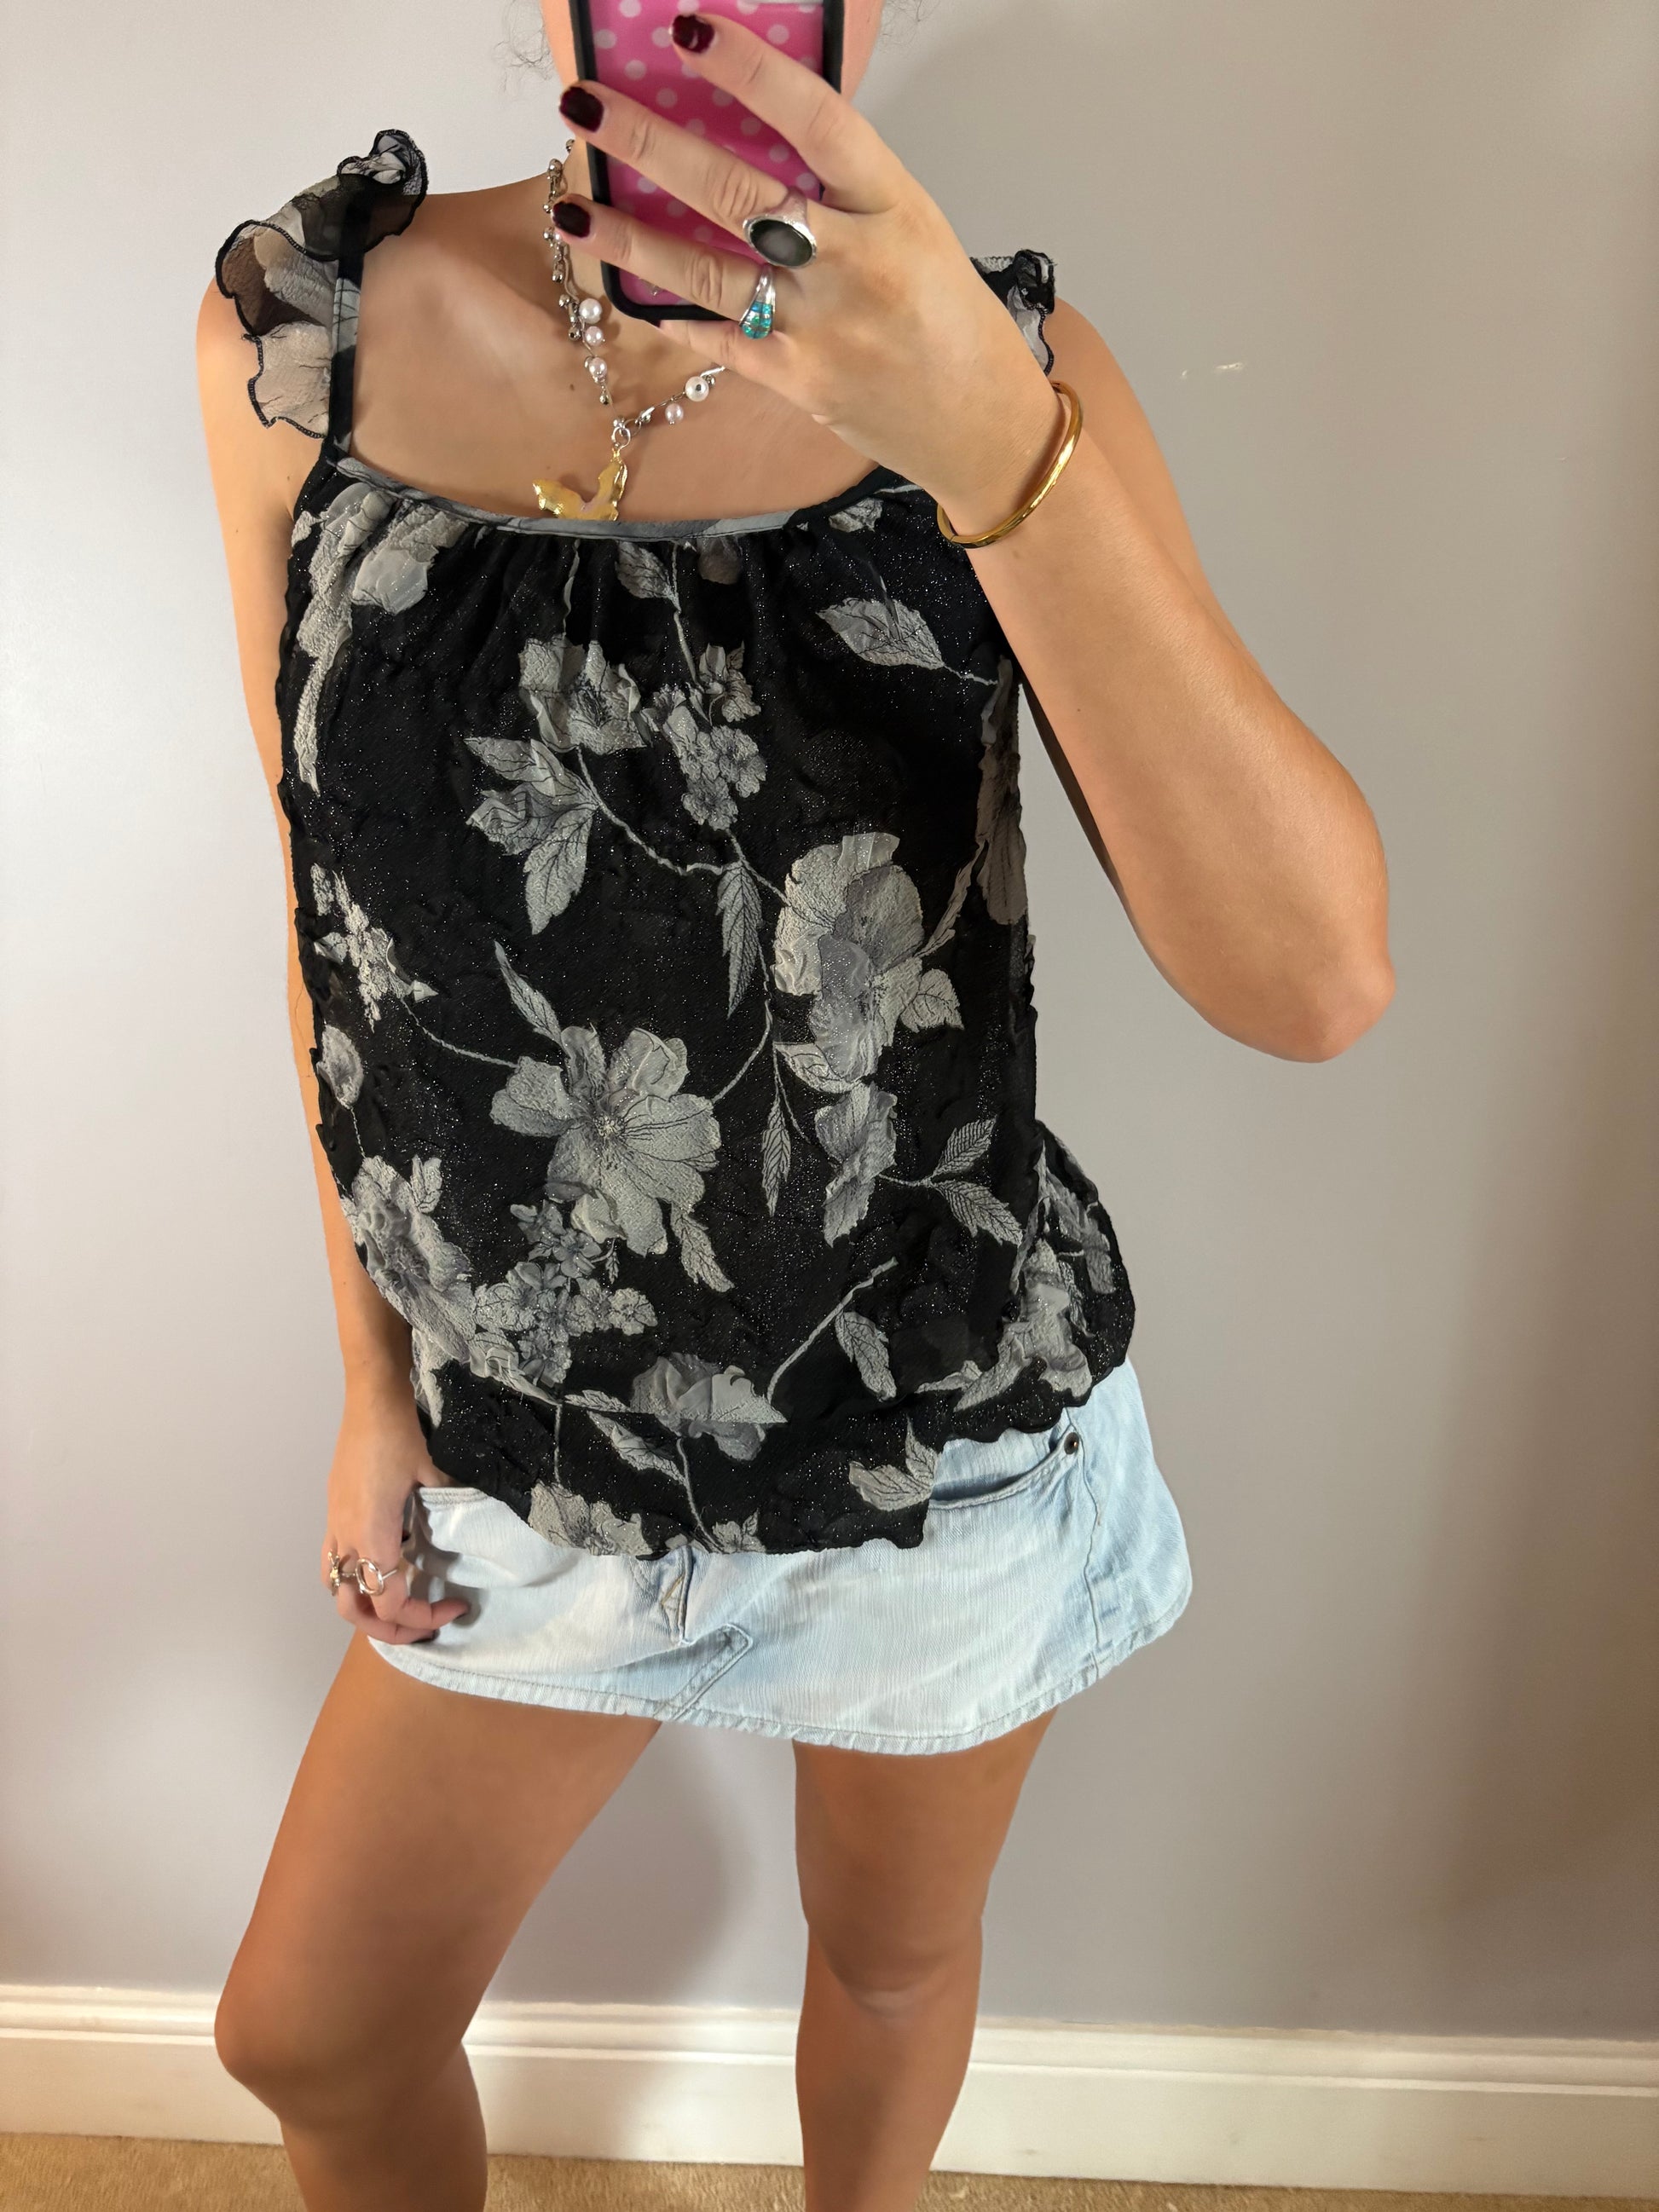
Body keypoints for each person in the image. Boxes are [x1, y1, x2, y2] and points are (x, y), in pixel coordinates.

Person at [195, 4, 1392, 2206]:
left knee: (887, 1961)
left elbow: (1311, 982)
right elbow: (329, 908)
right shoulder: (314, 330)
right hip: (525, 1444)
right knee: (314, 2037)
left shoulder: (1007, 373)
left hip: (927, 1431)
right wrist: (369, 1384)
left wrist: (987, 435)